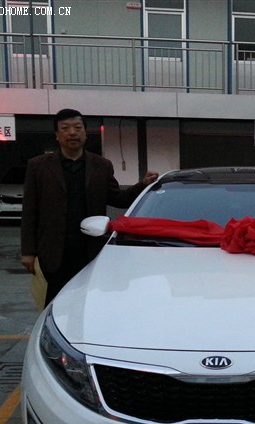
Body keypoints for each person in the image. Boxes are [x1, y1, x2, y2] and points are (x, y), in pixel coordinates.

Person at [21, 108, 158, 305]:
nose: (72, 133)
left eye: (78, 128)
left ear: (85, 133)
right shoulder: (38, 166)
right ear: (57, 135)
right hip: (53, 250)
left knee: (87, 300)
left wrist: (142, 185)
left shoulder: (101, 165)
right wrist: (28, 251)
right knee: (55, 301)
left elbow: (118, 198)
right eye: (65, 128)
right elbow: (29, 211)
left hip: (90, 249)